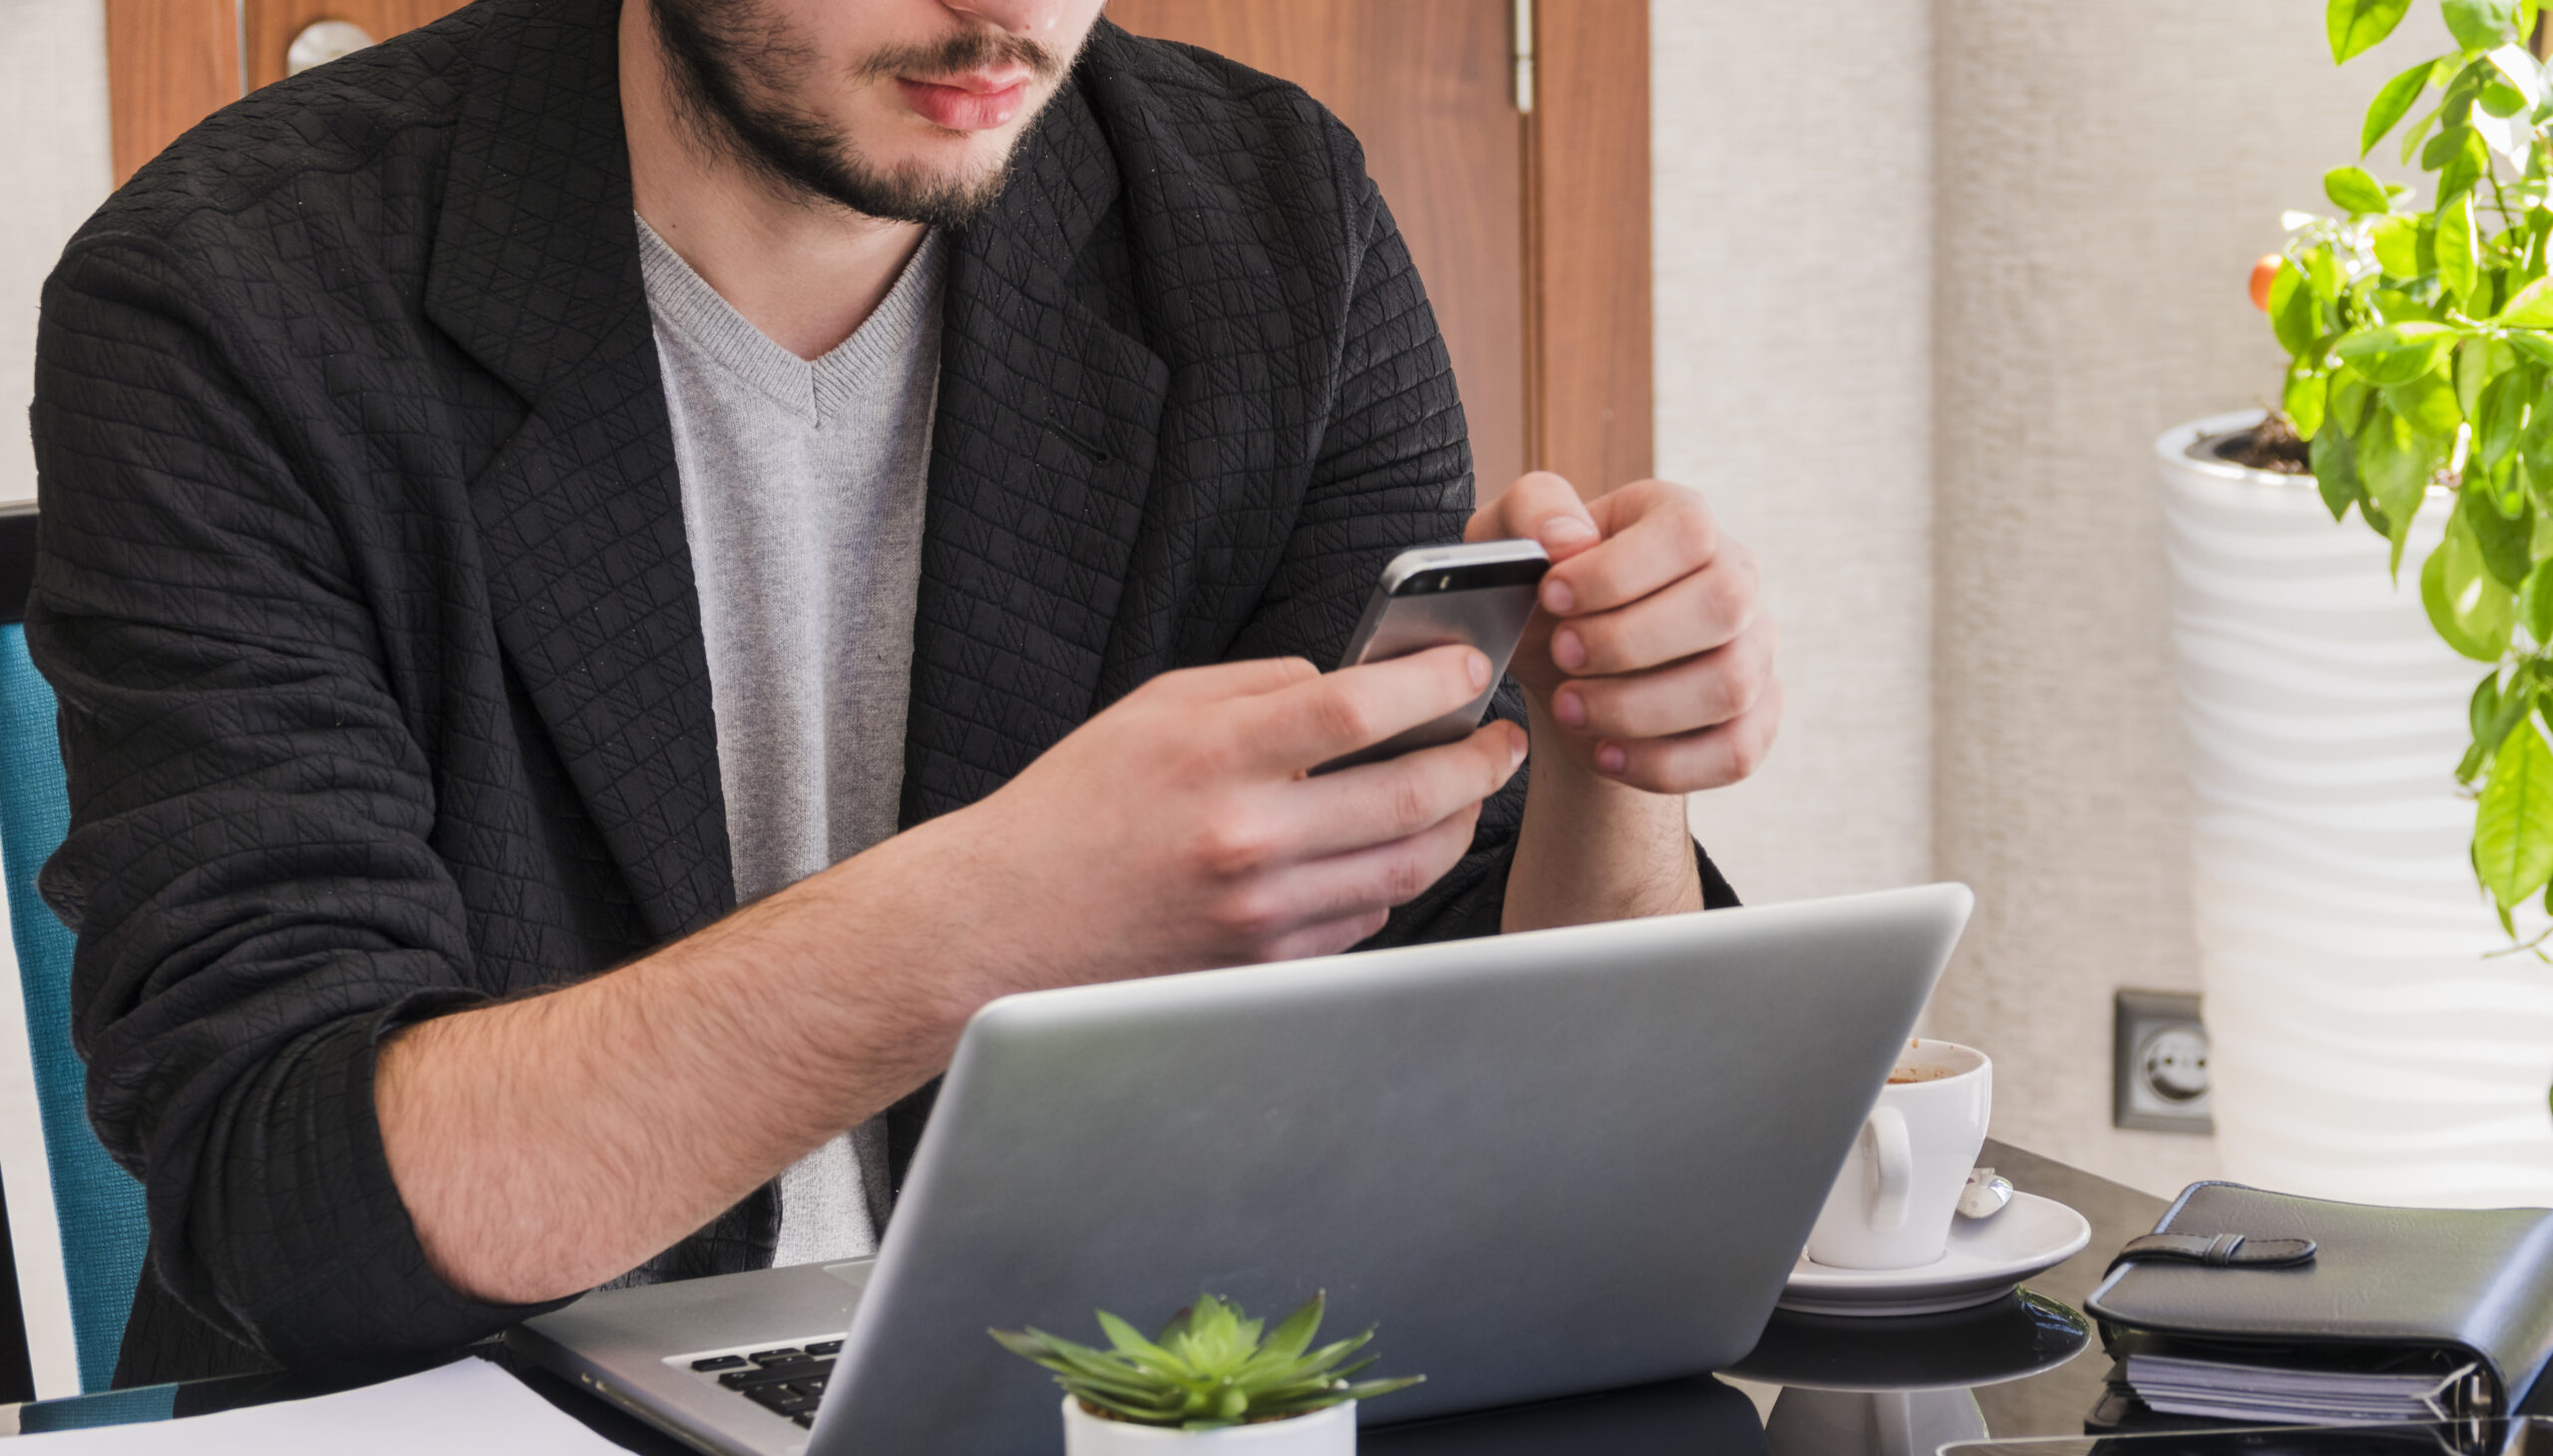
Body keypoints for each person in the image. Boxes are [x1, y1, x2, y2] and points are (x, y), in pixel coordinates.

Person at [30, 0, 1780, 1385]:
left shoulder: (1268, 222)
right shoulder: (231, 299)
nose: (1009, 10)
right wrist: (987, 918)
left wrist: (1613, 763)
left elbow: (1472, 1075)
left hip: (1098, 1431)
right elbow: (293, 1200)